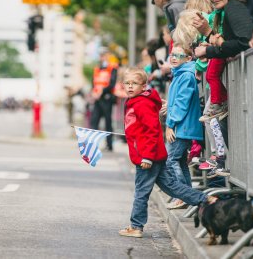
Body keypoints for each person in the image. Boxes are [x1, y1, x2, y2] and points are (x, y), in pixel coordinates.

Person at [119, 67, 216, 238]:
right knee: (172, 187)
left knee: (141, 192)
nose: (130, 86)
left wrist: (147, 156)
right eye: (127, 83)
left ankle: (136, 226)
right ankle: (205, 199)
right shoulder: (135, 101)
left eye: (134, 83)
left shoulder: (141, 104)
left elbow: (152, 131)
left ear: (143, 86)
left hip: (147, 157)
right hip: (152, 155)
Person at [193, 0, 253, 121]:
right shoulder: (227, 8)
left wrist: (208, 50)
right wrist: (208, 34)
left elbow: (244, 42)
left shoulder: (233, 6)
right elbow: (229, 44)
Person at [164, 45, 204, 208]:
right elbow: (178, 101)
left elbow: (182, 104)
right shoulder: (180, 74)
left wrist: (169, 124)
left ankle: (182, 196)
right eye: (172, 55)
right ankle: (187, 196)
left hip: (181, 127)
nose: (173, 58)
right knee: (179, 161)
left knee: (170, 160)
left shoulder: (186, 76)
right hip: (181, 126)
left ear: (188, 59)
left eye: (178, 55)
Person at [90, 49, 117, 151]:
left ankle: (109, 145)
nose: (102, 58)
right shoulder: (97, 69)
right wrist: (94, 92)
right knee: (94, 121)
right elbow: (94, 82)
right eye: (101, 56)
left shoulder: (112, 68)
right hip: (97, 99)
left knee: (108, 122)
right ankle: (92, 144)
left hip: (107, 99)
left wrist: (103, 91)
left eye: (104, 55)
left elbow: (112, 83)